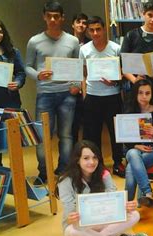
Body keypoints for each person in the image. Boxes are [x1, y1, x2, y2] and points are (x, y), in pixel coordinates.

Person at [56, 140, 148, 236]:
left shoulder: (104, 174)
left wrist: (125, 207)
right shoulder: (66, 180)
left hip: (103, 221)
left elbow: (114, 200)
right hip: (79, 225)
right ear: (77, 160)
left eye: (95, 158)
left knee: (134, 215)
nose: (91, 162)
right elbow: (69, 214)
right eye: (86, 158)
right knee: (70, 233)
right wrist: (70, 218)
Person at [25, 1, 80, 181]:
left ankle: (63, 170)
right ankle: (44, 172)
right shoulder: (34, 41)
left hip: (67, 94)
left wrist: (77, 85)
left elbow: (78, 68)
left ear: (62, 18)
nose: (53, 20)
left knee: (66, 134)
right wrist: (38, 75)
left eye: (56, 16)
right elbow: (27, 67)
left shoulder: (72, 41)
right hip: (45, 94)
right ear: (44, 17)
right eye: (49, 16)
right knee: (42, 136)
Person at [79, 16, 124, 177]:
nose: (95, 33)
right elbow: (82, 73)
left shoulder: (116, 48)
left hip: (113, 96)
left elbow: (122, 71)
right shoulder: (84, 50)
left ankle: (118, 162)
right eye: (91, 30)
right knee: (92, 133)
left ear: (104, 29)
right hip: (92, 96)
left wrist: (115, 81)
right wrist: (84, 94)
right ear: (88, 31)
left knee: (115, 132)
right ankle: (97, 165)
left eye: (98, 29)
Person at [120, 0, 153, 108]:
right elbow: (122, 65)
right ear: (143, 14)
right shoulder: (131, 36)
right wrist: (134, 80)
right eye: (150, 15)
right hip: (136, 89)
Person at [0, 19, 26, 166]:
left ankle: (17, 174)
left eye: (0, 31)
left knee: (14, 140)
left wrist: (17, 83)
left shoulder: (13, 52)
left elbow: (21, 73)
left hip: (11, 102)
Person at [124, 78, 153, 207]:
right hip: (136, 149)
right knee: (132, 152)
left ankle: (127, 205)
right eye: (140, 93)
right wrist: (136, 146)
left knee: (131, 167)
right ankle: (147, 193)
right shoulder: (129, 112)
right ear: (135, 94)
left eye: (147, 93)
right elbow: (124, 138)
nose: (144, 96)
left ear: (152, 94)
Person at [71, 13, 90, 145]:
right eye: (78, 22)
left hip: (87, 88)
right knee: (72, 125)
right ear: (73, 24)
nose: (81, 25)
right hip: (70, 88)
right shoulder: (66, 42)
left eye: (84, 23)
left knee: (88, 123)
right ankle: (73, 156)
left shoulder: (90, 44)